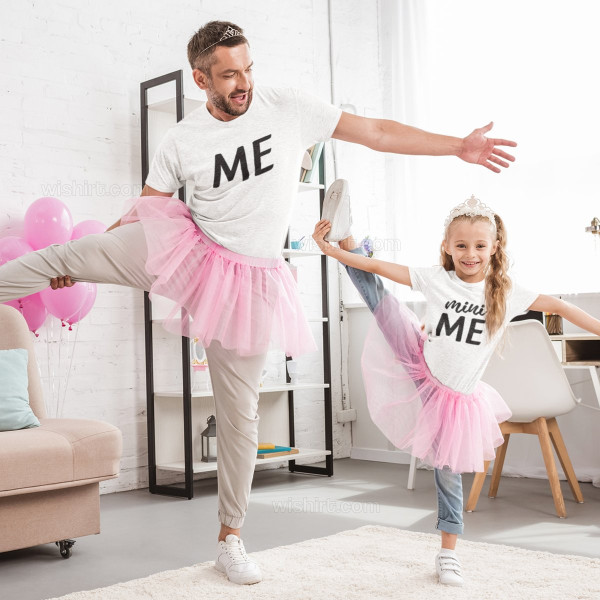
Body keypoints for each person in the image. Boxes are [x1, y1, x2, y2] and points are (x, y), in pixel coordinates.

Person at [0, 20, 518, 586]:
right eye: (228, 75)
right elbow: (147, 208)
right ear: (201, 79)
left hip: (247, 282)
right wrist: (91, 257)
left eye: (248, 69)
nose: (243, 82)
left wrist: (457, 147)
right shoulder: (182, 139)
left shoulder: (288, 106)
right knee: (66, 254)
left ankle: (231, 539)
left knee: (240, 415)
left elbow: (376, 131)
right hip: (188, 245)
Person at [312, 188, 600, 586]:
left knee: (447, 473)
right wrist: (335, 252)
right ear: (447, 246)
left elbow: (564, 307)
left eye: (480, 245)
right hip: (419, 365)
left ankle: (448, 552)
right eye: (461, 245)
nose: (470, 253)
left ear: (495, 247)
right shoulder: (436, 279)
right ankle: (348, 238)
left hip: (456, 399)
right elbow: (380, 272)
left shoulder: (507, 292)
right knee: (382, 305)